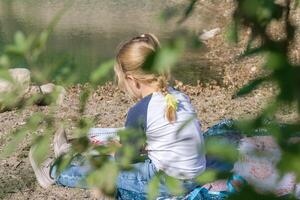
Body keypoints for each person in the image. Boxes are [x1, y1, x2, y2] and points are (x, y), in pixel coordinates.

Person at [29, 33, 215, 199]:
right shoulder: (178, 97)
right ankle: (71, 152)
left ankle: (55, 173)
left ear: (132, 80)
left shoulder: (141, 110)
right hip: (196, 175)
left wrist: (113, 149)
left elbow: (126, 158)